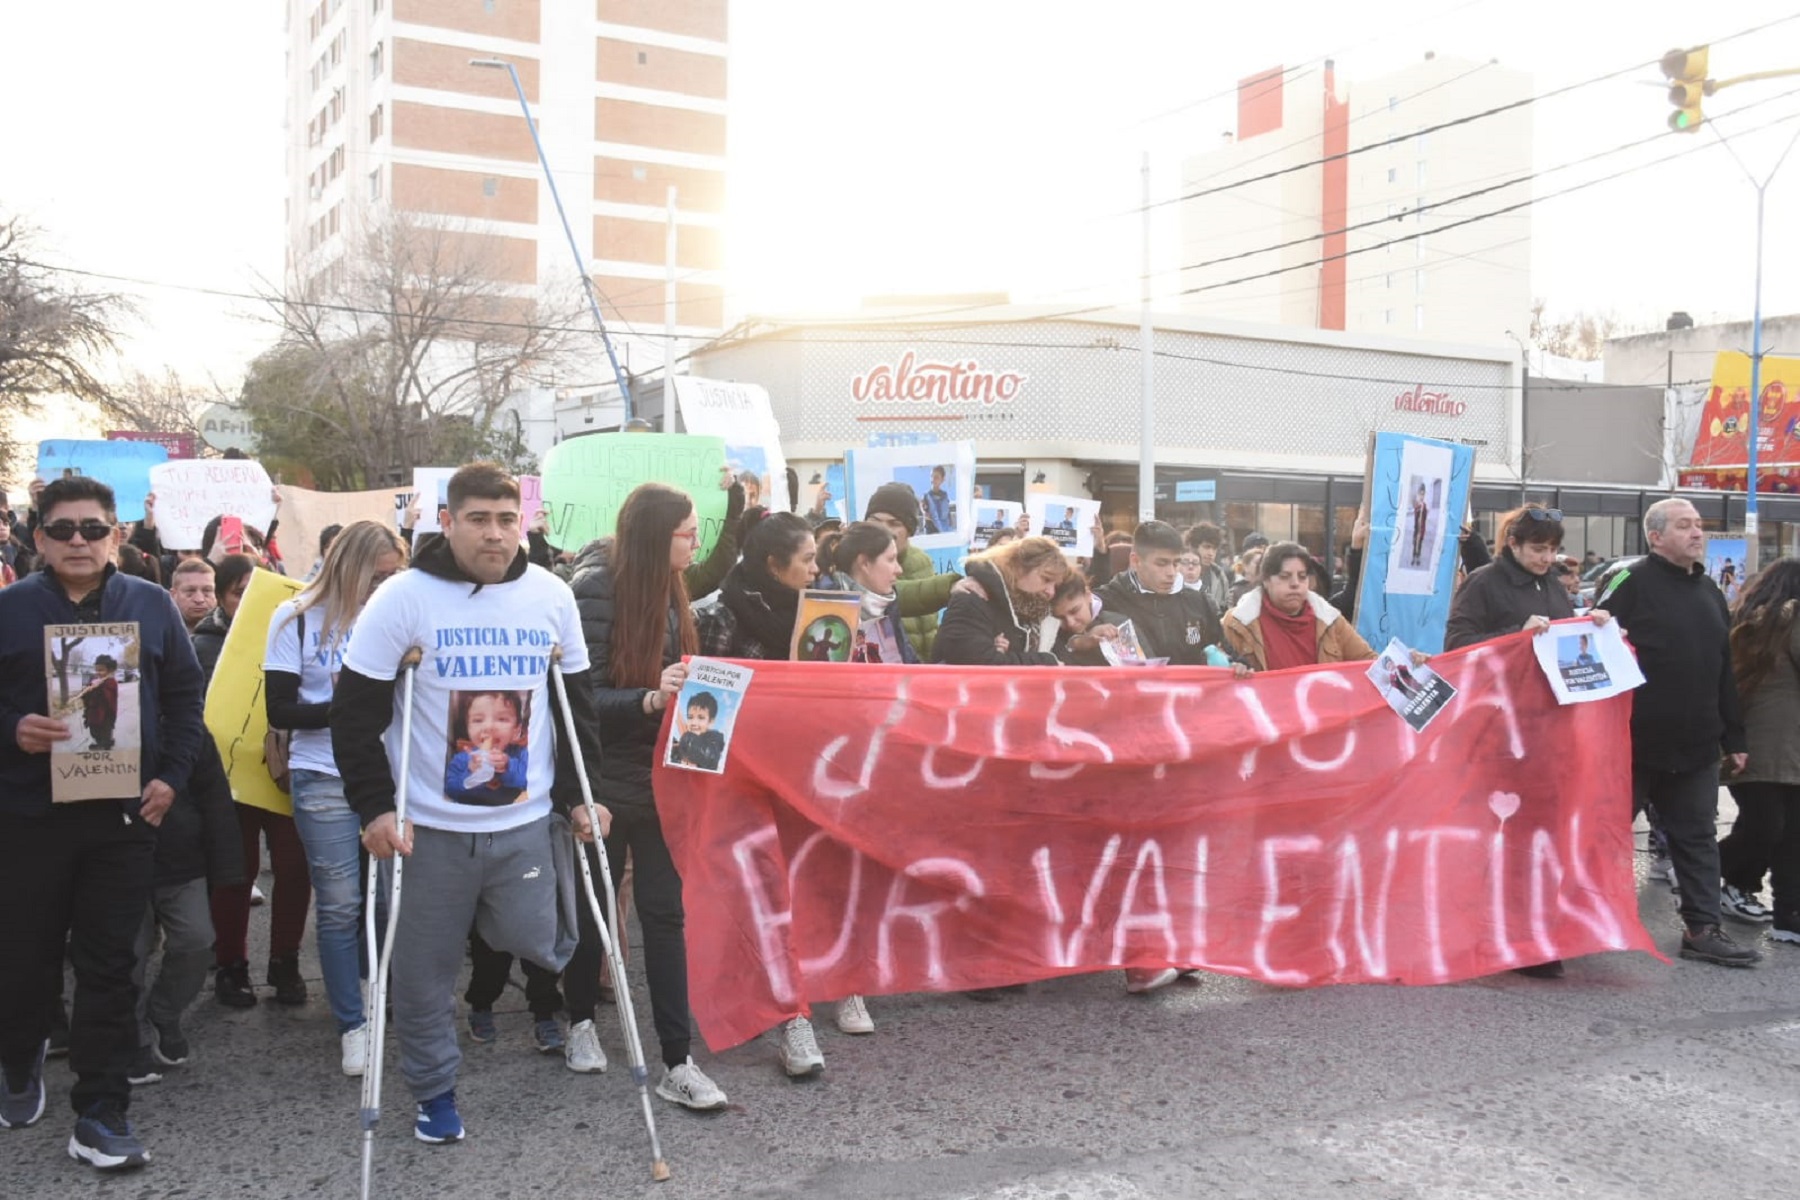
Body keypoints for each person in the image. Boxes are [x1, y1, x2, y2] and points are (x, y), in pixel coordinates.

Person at [331, 463, 609, 1144]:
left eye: (507, 519)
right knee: (422, 976)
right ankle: (435, 1094)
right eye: (479, 519)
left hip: (523, 825)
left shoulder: (551, 596)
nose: (495, 533)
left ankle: (506, 974)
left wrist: (580, 798)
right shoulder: (403, 597)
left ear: (524, 523)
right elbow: (353, 715)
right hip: (430, 832)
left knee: (538, 943)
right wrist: (374, 809)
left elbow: (578, 709)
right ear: (447, 521)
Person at [0, 475, 205, 1170]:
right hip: (28, 817)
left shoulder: (150, 604)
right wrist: (11, 731)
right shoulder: (11, 609)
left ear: (116, 533)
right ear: (38, 536)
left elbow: (184, 697)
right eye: (63, 530)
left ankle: (100, 1109)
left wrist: (170, 779)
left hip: (122, 817)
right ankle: (19, 1057)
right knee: (24, 959)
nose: (79, 541)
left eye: (93, 528)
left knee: (112, 964)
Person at [568, 482, 730, 1108]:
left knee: (666, 916)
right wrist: (649, 698)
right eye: (688, 532)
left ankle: (678, 1059)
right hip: (603, 782)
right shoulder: (595, 589)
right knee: (596, 909)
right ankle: (580, 1018)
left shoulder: (673, 587)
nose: (696, 542)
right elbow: (578, 698)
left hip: (665, 777)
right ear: (654, 536)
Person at [1443, 507, 1614, 978]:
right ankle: (1513, 937)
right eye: (1538, 548)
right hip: (1500, 731)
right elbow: (1458, 645)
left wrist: (1589, 624)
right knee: (1511, 840)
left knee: (1541, 837)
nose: (1547, 557)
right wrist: (1513, 637)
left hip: (1548, 729)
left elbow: (1563, 640)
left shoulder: (1551, 585)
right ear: (1513, 545)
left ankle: (1536, 930)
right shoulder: (1483, 583)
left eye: (1552, 548)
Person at [265, 520, 406, 1075]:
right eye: (377, 578)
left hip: (388, 774)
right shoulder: (296, 617)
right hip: (322, 773)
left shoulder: (399, 619)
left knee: (387, 899)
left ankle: (377, 991)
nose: (383, 589)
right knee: (342, 903)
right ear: (349, 567)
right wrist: (348, 713)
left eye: (393, 578)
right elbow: (280, 709)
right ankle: (352, 1023)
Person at [1597, 498, 1761, 967]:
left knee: (1697, 839)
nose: (1697, 533)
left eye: (1699, 525)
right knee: (1603, 835)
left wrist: (1736, 738)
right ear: (1655, 537)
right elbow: (1592, 640)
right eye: (1685, 526)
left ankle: (1703, 929)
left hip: (1696, 746)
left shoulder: (1710, 591)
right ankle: (1578, 921)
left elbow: (1722, 671)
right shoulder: (1628, 580)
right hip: (1632, 743)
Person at [206, 547, 313, 1012]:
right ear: (221, 598)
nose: (249, 604)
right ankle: (232, 965)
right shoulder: (204, 645)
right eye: (238, 594)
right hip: (227, 780)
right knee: (235, 872)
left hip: (287, 772)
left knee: (294, 868)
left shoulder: (298, 633)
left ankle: (285, 962)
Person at [1719, 559, 1800, 936]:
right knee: (1774, 830)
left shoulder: (1755, 621)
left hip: (1761, 742)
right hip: (1772, 744)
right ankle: (1709, 872)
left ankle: (1781, 911)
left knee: (1773, 828)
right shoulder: (1787, 621)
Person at [1222, 541, 1376, 670]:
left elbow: (1371, 665)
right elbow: (1215, 670)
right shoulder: (1236, 623)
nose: (1295, 584)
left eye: (1302, 577)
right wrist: (1232, 670)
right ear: (1266, 580)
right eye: (1285, 576)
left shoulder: (1331, 621)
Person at [1096, 521, 1229, 666]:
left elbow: (1227, 647)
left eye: (1176, 563)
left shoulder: (1199, 602)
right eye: (1161, 564)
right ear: (1135, 561)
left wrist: (1236, 663)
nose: (1171, 573)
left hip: (1189, 688)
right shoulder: (1106, 602)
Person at [863, 482, 962, 661]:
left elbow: (931, 625)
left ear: (910, 529)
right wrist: (949, 586)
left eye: (894, 523)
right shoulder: (857, 563)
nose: (883, 530)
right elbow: (897, 596)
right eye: (875, 521)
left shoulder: (921, 560)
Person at [934, 536, 1069, 666]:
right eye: (1046, 579)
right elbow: (975, 663)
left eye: (1055, 585)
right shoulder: (972, 599)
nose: (1051, 592)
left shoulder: (1034, 611)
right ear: (1019, 567)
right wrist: (1044, 662)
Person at [190, 553, 257, 684]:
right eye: (239, 593)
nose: (249, 599)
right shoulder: (200, 648)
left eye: (255, 591)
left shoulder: (282, 641)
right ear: (220, 598)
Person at [169, 560, 216, 634]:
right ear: (173, 595)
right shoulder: (156, 633)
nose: (199, 599)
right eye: (190, 591)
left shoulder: (233, 633)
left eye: (207, 591)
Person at [922, 466, 952, 535]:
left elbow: (947, 514)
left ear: (942, 480)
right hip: (931, 532)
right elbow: (925, 512)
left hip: (945, 532)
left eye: (936, 477)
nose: (933, 479)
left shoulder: (944, 495)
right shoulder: (927, 496)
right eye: (931, 476)